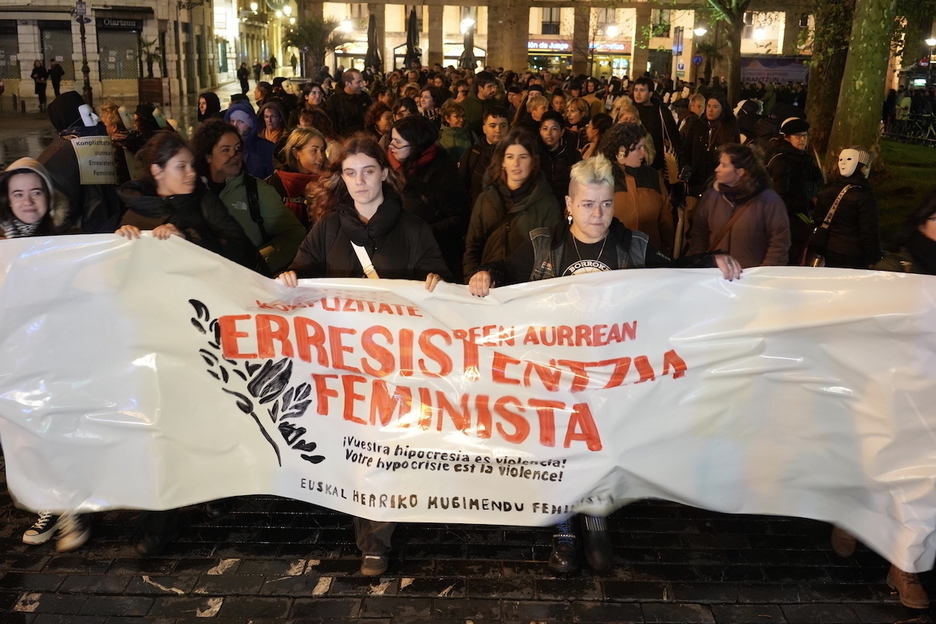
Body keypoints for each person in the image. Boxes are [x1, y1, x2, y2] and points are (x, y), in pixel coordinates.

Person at [466, 155, 741, 574]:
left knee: (598, 443)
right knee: (558, 445)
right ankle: (562, 524)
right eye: (588, 204)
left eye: (606, 204)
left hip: (607, 376)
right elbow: (505, 272)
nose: (598, 214)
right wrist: (486, 273)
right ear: (569, 204)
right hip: (554, 374)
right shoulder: (544, 244)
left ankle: (594, 512)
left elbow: (673, 277)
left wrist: (711, 262)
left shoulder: (631, 246)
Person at [276, 136, 450, 575]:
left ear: (386, 174)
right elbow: (303, 270)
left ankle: (376, 537)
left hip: (396, 369)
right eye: (350, 173)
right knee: (352, 449)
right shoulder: (329, 229)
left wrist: (436, 283)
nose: (360, 182)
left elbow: (442, 284)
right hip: (341, 367)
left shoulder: (413, 229)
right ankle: (364, 519)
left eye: (368, 171)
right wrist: (292, 275)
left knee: (379, 448)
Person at [2, 158, 93, 552]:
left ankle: (72, 506)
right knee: (27, 435)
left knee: (59, 429)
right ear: (7, 199)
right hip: (14, 358)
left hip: (58, 354)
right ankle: (49, 503)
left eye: (35, 191)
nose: (27, 200)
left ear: (48, 196)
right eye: (18, 193)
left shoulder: (67, 239)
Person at [192, 119, 305, 274]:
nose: (235, 155)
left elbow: (294, 233)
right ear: (207, 155)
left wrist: (257, 263)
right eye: (226, 150)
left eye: (238, 148)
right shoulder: (191, 191)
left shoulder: (258, 191)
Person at [463, 126, 560, 279]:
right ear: (502, 161)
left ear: (533, 162)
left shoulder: (547, 203)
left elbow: (552, 253)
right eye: (509, 157)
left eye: (523, 157)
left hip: (526, 289)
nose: (516, 163)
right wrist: (471, 279)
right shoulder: (485, 199)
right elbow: (472, 246)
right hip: (488, 286)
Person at [388, 115, 471, 282]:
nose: (391, 146)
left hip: (435, 258)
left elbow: (460, 219)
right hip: (399, 255)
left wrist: (421, 234)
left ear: (417, 145)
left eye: (397, 142)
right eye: (391, 140)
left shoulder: (444, 173)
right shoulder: (389, 167)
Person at [688, 143, 790, 268]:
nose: (717, 169)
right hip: (715, 277)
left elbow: (779, 243)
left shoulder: (769, 201)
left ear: (740, 172)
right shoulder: (710, 197)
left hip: (750, 279)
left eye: (724, 165)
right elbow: (699, 235)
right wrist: (701, 265)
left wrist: (763, 275)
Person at [37, 92, 123, 232]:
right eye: (89, 115)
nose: (97, 119)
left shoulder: (78, 149)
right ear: (72, 122)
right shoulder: (68, 156)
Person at [600, 122, 675, 256]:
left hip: (650, 254)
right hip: (612, 255)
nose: (644, 153)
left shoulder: (652, 176)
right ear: (622, 150)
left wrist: (665, 251)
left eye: (644, 147)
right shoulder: (603, 176)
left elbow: (665, 218)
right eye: (639, 148)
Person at [807, 147, 881, 269]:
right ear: (862, 169)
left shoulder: (827, 190)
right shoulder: (864, 197)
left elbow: (818, 219)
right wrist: (874, 259)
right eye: (868, 166)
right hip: (853, 256)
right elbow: (869, 233)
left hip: (827, 250)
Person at [766, 117, 823, 264]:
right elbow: (780, 199)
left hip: (801, 224)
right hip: (787, 224)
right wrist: (808, 202)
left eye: (804, 135)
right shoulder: (782, 161)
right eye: (797, 136)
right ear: (786, 138)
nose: (802, 139)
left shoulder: (805, 159)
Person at [681, 93, 741, 200]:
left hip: (719, 183)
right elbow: (686, 150)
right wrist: (686, 166)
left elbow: (734, 154)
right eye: (708, 106)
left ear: (722, 109)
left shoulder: (729, 128)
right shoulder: (697, 125)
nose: (710, 110)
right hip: (696, 181)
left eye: (715, 107)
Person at [267, 126, 329, 228]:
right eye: (314, 150)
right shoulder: (274, 184)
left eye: (322, 150)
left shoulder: (326, 184)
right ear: (296, 153)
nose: (321, 157)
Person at [458, 106, 509, 206]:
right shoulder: (472, 153)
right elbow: (460, 186)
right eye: (492, 125)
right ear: (484, 129)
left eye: (503, 125)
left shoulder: (515, 154)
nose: (498, 130)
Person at [632, 76, 681, 174]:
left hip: (657, 165)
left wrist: (682, 162)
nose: (638, 94)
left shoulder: (661, 111)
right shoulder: (630, 110)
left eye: (642, 90)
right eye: (636, 90)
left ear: (650, 93)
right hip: (633, 163)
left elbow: (674, 138)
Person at [538, 111, 582, 209]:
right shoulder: (534, 154)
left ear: (561, 132)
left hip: (566, 204)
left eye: (554, 129)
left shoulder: (573, 155)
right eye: (545, 129)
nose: (548, 133)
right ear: (540, 130)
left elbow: (580, 182)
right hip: (540, 204)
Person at [224, 99, 276, 179]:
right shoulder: (223, 149)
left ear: (250, 124)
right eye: (232, 121)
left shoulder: (268, 149)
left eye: (241, 121)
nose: (235, 126)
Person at [324, 69, 371, 136]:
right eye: (358, 82)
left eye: (362, 81)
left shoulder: (364, 97)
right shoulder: (333, 101)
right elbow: (331, 126)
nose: (362, 85)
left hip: (364, 139)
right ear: (347, 83)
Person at [462, 71, 499, 138]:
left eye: (494, 86)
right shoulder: (466, 105)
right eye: (489, 87)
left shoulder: (497, 104)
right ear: (480, 88)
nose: (493, 90)